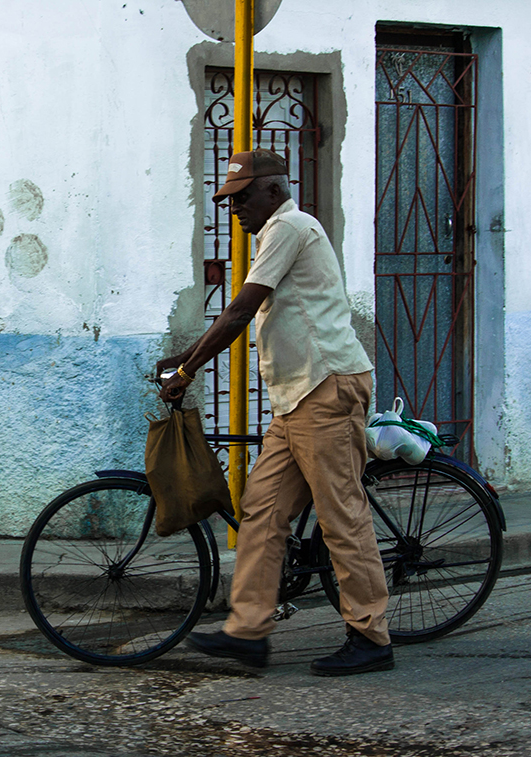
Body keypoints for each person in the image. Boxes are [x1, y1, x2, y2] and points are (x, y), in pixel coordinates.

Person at [156, 149, 393, 676]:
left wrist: (189, 371)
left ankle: (370, 636)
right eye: (228, 200)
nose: (234, 208)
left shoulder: (291, 227)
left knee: (341, 518)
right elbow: (248, 312)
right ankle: (248, 632)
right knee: (261, 514)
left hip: (325, 389)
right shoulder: (274, 233)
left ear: (273, 190)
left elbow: (241, 309)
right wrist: (187, 357)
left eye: (241, 198)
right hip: (296, 397)